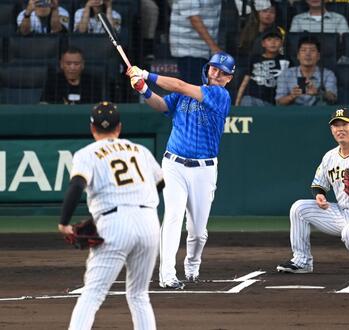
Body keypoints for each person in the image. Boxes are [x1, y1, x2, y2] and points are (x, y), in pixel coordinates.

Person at [126, 51, 235, 289]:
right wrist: (143, 89)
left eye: (223, 72)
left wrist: (144, 73)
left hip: (204, 169)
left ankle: (192, 264)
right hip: (174, 163)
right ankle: (167, 274)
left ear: (229, 78)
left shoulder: (220, 95)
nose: (216, 74)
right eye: (214, 69)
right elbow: (162, 104)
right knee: (173, 217)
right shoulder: (184, 94)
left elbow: (180, 86)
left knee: (197, 230)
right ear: (208, 69)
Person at [58, 101, 163, 329]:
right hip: (149, 223)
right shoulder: (140, 150)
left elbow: (77, 185)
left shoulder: (87, 153)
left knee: (92, 294)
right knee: (139, 295)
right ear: (119, 127)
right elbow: (161, 183)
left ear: (92, 128)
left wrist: (64, 222)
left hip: (114, 223)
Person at [277, 107, 349, 275]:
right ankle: (302, 261)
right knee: (299, 208)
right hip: (342, 213)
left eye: (345, 124)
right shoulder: (330, 157)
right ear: (332, 130)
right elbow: (318, 184)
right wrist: (320, 196)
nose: (340, 129)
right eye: (336, 125)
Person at [169, 0, 222, 85]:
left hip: (207, 51)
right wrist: (214, 48)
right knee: (195, 89)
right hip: (189, 49)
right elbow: (194, 18)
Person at [275, 35, 337, 106]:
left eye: (312, 50)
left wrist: (318, 92)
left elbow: (333, 98)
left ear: (318, 56)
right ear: (298, 55)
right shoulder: (286, 75)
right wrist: (292, 96)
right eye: (303, 50)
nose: (308, 54)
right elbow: (278, 102)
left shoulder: (327, 74)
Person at [235, 28, 289, 106]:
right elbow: (245, 82)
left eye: (277, 39)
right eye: (269, 40)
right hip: (252, 99)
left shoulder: (286, 60)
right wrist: (237, 102)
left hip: (274, 103)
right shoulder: (255, 59)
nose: (273, 42)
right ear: (263, 43)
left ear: (281, 43)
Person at [40, 46, 104, 104]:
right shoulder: (53, 82)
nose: (72, 67)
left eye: (76, 64)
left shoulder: (92, 83)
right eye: (68, 63)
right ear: (61, 64)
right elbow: (43, 105)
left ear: (82, 65)